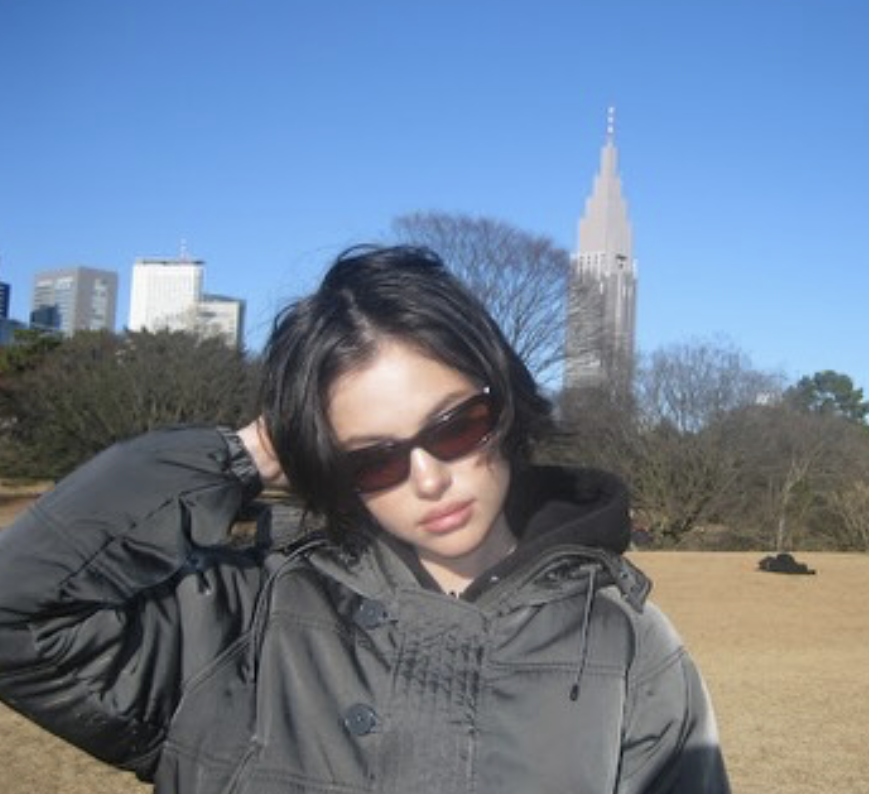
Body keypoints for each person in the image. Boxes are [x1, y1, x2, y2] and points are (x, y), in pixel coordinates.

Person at [0, 245, 731, 793]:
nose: (428, 478)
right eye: (373, 459)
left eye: (456, 426)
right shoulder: (241, 622)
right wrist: (249, 452)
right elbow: (17, 612)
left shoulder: (624, 644)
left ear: (504, 401)